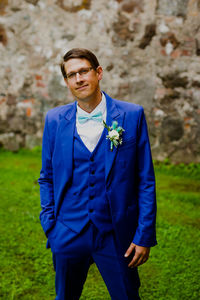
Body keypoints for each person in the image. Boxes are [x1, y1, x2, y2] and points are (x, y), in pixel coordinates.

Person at [38, 48, 157, 300]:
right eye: (72, 75)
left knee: (126, 295)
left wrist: (144, 235)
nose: (79, 79)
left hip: (116, 235)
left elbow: (145, 180)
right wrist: (51, 226)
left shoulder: (131, 115)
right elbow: (47, 176)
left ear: (98, 72)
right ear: (67, 81)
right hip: (68, 231)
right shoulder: (55, 120)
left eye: (84, 71)